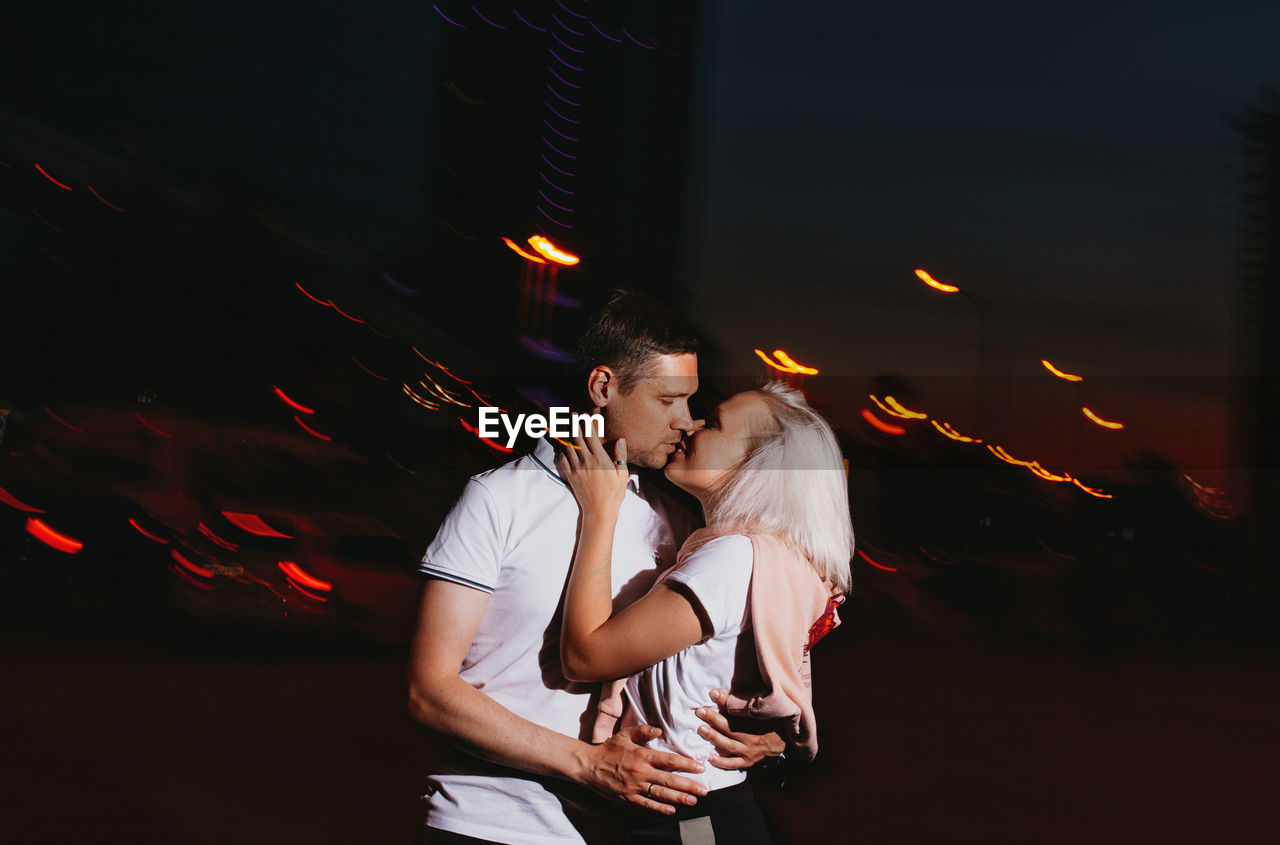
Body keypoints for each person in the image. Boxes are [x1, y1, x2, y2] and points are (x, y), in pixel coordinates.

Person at [407, 291, 785, 844]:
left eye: (692, 400)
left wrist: (765, 735)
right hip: (489, 823)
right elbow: (428, 692)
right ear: (603, 388)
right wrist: (587, 764)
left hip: (615, 828)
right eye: (668, 400)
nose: (687, 421)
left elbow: (698, 674)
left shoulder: (674, 521)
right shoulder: (497, 499)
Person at [556, 380, 855, 844]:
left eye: (712, 423)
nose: (690, 425)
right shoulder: (772, 555)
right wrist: (775, 739)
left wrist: (599, 514)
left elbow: (585, 658)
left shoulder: (733, 558)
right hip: (702, 810)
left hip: (689, 821)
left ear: (756, 466)